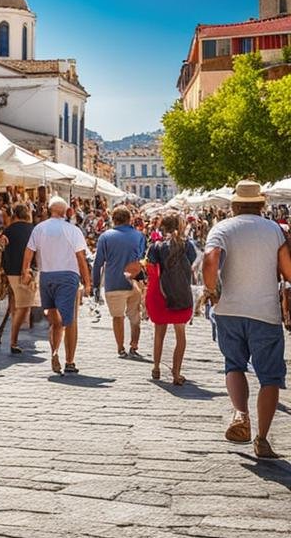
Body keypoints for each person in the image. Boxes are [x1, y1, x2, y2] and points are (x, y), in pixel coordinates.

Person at [203, 180, 291, 459]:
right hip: (265, 312)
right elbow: (288, 271)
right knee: (270, 377)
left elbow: (210, 257)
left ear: (234, 204)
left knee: (235, 366)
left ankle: (240, 413)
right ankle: (262, 439)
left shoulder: (222, 228)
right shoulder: (274, 230)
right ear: (261, 204)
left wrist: (211, 289)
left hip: (229, 309)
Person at [21, 196, 92, 374]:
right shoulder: (73, 230)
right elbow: (81, 258)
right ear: (66, 212)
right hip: (68, 276)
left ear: (48, 210)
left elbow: (29, 252)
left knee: (54, 320)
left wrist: (25, 272)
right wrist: (88, 282)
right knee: (70, 320)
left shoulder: (39, 228)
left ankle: (54, 352)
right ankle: (69, 361)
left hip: (46, 277)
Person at [145, 212, 196, 385]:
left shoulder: (155, 246)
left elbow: (150, 267)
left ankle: (156, 367)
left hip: (161, 293)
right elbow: (191, 261)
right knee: (180, 334)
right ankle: (176, 373)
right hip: (180, 293)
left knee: (159, 332)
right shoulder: (187, 245)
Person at [91, 206, 146, 359]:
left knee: (117, 317)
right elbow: (141, 258)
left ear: (113, 219)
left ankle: (120, 348)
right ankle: (134, 345)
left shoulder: (105, 237)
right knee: (135, 316)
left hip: (113, 282)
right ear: (130, 219)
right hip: (134, 281)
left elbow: (98, 264)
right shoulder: (139, 236)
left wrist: (95, 286)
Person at [1, 203, 38, 354]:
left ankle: (14, 339)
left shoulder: (8, 230)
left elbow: (2, 247)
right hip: (25, 272)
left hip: (11, 270)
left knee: (19, 304)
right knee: (24, 306)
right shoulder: (33, 229)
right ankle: (13, 341)